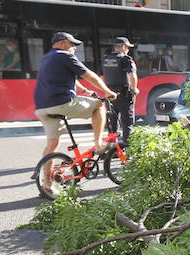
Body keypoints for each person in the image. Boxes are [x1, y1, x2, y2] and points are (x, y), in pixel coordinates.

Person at [33, 32, 117, 194]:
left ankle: (47, 184)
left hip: (42, 107)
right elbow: (89, 75)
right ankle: (99, 143)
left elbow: (70, 77)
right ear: (63, 43)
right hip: (61, 102)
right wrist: (107, 92)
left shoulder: (46, 58)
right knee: (99, 105)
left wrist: (85, 91)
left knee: (52, 144)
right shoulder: (65, 56)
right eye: (73, 45)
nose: (74, 49)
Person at [101, 37, 139, 144]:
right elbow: (132, 75)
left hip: (110, 95)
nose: (128, 50)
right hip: (124, 94)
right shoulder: (126, 59)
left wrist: (106, 90)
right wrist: (134, 89)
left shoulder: (105, 59)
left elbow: (101, 77)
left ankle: (113, 149)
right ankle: (127, 151)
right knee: (127, 123)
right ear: (123, 47)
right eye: (127, 48)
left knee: (112, 123)